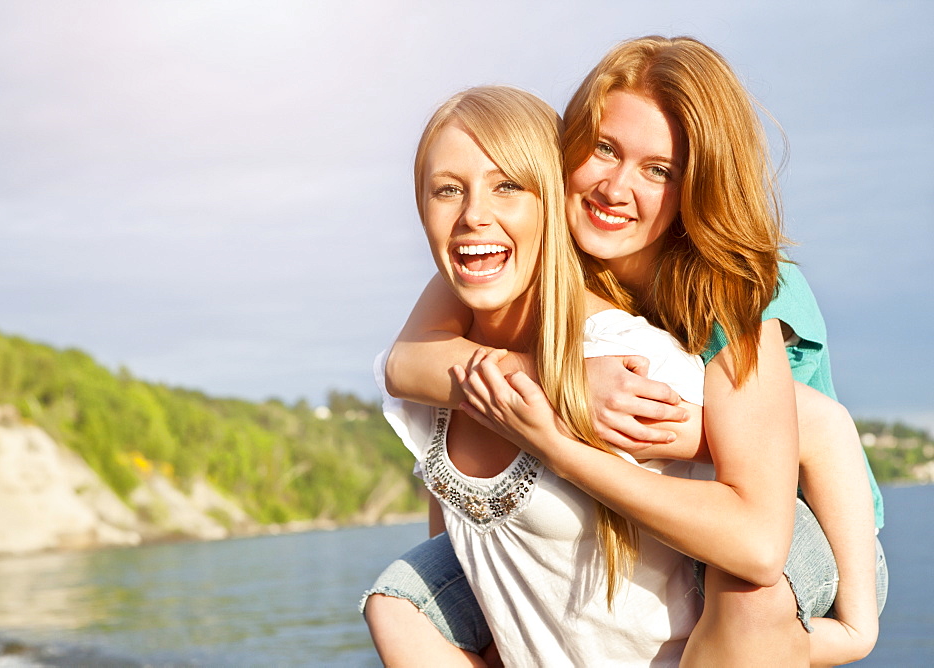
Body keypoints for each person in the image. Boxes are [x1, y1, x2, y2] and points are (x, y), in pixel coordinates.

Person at [366, 36, 886, 667]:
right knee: (397, 600)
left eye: (658, 169)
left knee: (746, 589)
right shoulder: (525, 247)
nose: (615, 187)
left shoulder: (731, 290)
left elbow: (819, 437)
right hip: (679, 495)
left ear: (695, 185)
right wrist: (563, 383)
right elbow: (407, 365)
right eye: (604, 149)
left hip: (809, 515)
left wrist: (858, 624)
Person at [364, 83, 718, 666]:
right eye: (448, 190)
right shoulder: (441, 377)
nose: (473, 214)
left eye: (507, 186)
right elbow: (481, 593)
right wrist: (557, 380)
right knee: (393, 603)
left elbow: (772, 486)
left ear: (551, 201)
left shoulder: (626, 360)